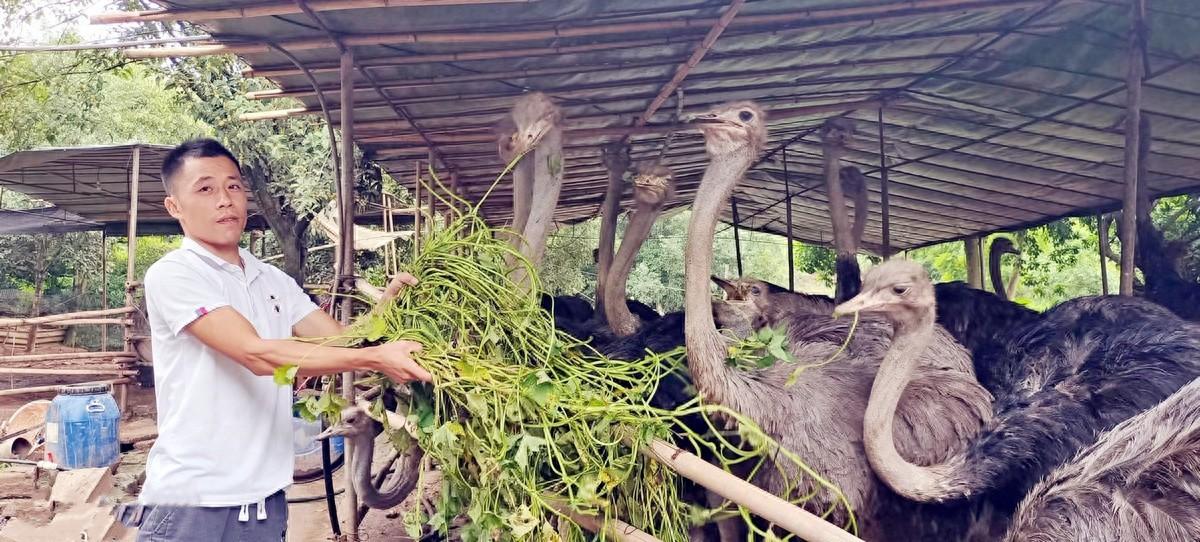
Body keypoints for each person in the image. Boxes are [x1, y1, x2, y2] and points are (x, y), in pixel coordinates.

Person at [121, 139, 430, 541]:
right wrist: (376, 359)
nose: (224, 200)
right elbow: (255, 354)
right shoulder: (175, 274)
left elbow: (341, 340)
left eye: (233, 186)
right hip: (192, 501)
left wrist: (385, 310)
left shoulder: (272, 280)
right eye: (205, 188)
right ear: (174, 207)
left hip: (266, 497)